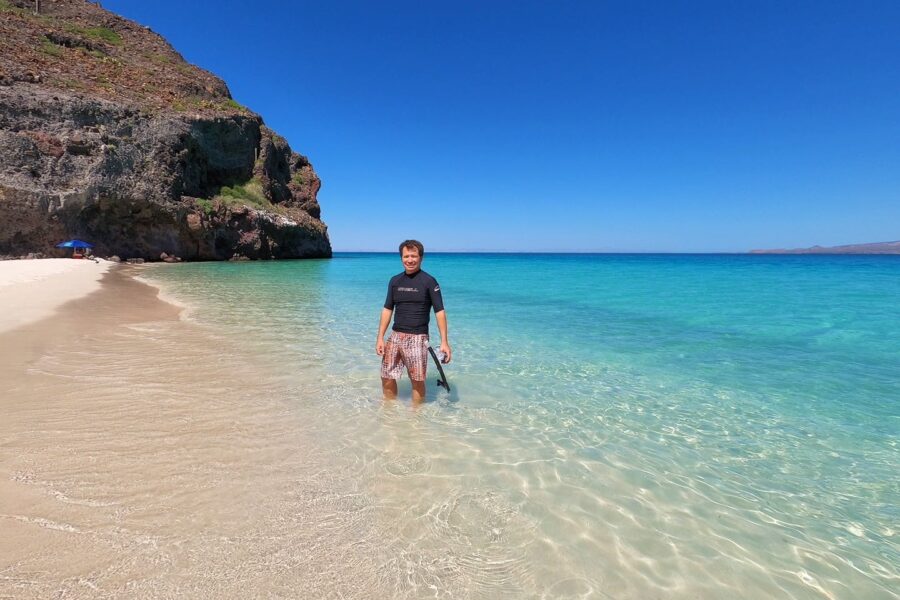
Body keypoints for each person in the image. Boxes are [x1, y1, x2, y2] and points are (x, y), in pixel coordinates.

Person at [376, 240, 451, 402]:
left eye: (413, 256)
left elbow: (440, 312)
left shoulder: (429, 282)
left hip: (418, 338)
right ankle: (389, 412)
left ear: (421, 258)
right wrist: (380, 337)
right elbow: (387, 309)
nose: (410, 260)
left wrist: (444, 342)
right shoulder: (395, 281)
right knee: (386, 376)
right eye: (406, 256)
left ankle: (416, 420)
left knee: (417, 380)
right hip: (395, 336)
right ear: (401, 258)